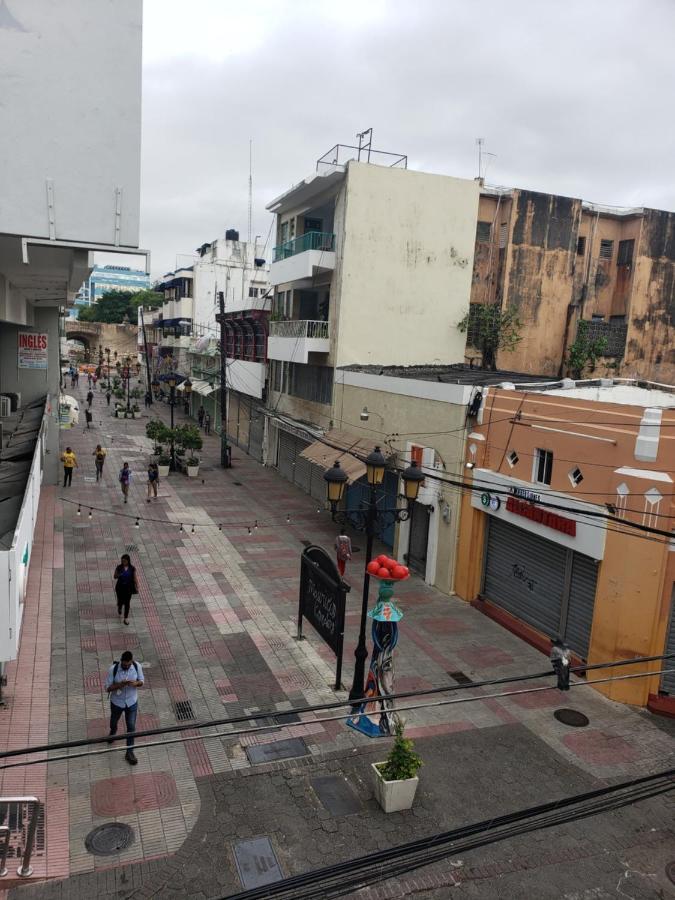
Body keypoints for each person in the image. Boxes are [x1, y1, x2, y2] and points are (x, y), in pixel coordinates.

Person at [105, 649, 144, 765]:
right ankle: (113, 731)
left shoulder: (137, 666)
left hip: (132, 702)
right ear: (121, 661)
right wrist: (120, 684)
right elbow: (107, 688)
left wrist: (135, 683)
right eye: (125, 664)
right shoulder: (114, 669)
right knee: (113, 721)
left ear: (132, 662)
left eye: (129, 664)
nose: (127, 666)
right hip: (117, 702)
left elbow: (142, 681)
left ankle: (130, 752)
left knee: (131, 727)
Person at [113, 554, 138, 625]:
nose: (123, 562)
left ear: (128, 561)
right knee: (120, 600)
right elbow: (114, 576)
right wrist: (119, 575)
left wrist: (137, 585)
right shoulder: (119, 567)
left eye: (124, 561)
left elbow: (134, 577)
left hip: (128, 588)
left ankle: (126, 618)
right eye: (122, 560)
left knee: (127, 603)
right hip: (120, 588)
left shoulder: (132, 568)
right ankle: (119, 607)